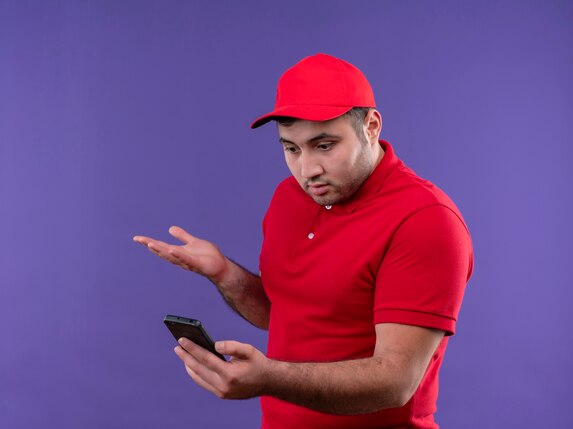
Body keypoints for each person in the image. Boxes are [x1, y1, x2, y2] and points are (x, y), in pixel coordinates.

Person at [133, 53, 474, 429]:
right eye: (291, 149)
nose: (308, 170)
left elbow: (396, 380)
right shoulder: (290, 196)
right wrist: (225, 274)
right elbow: (288, 316)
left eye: (324, 145)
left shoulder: (424, 219)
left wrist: (268, 378)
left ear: (371, 126)